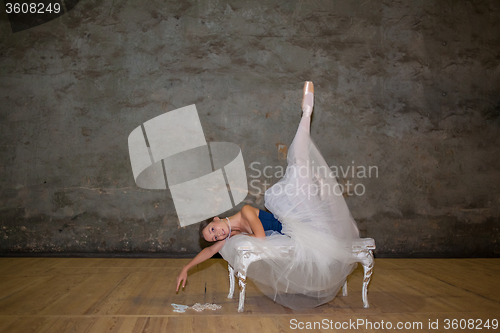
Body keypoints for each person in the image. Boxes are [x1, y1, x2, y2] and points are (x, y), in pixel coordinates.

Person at [176, 82, 360, 310]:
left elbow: (261, 237)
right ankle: (318, 179)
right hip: (298, 226)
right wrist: (186, 268)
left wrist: (241, 237)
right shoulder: (228, 234)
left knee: (297, 165)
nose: (217, 236)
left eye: (213, 230)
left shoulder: (244, 211)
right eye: (214, 237)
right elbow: (208, 251)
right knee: (304, 174)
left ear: (216, 219)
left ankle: (306, 115)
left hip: (293, 220)